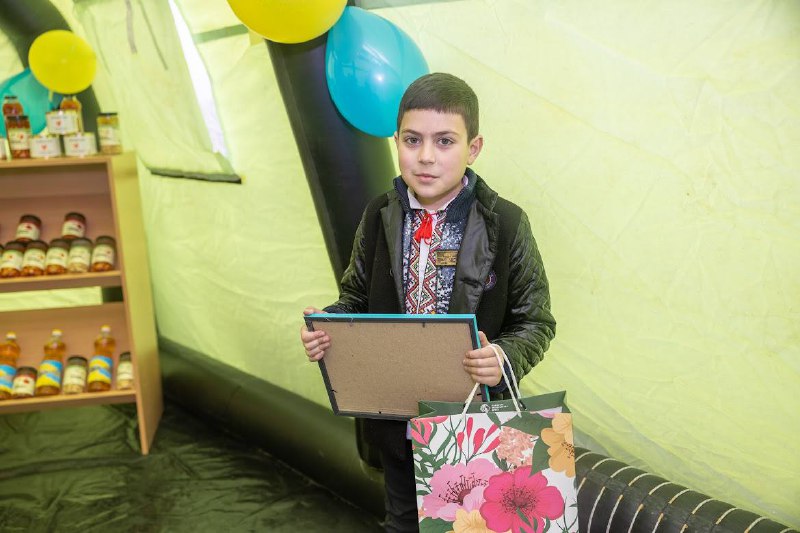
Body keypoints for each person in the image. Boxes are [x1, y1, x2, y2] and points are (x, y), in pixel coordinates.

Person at [300, 72, 556, 532]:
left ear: (473, 148)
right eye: (413, 140)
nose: (426, 156)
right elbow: (355, 297)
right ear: (396, 141)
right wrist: (329, 325)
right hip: (397, 425)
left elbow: (536, 321)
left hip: (473, 431)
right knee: (403, 523)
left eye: (445, 141)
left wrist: (503, 357)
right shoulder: (377, 216)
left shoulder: (506, 223)